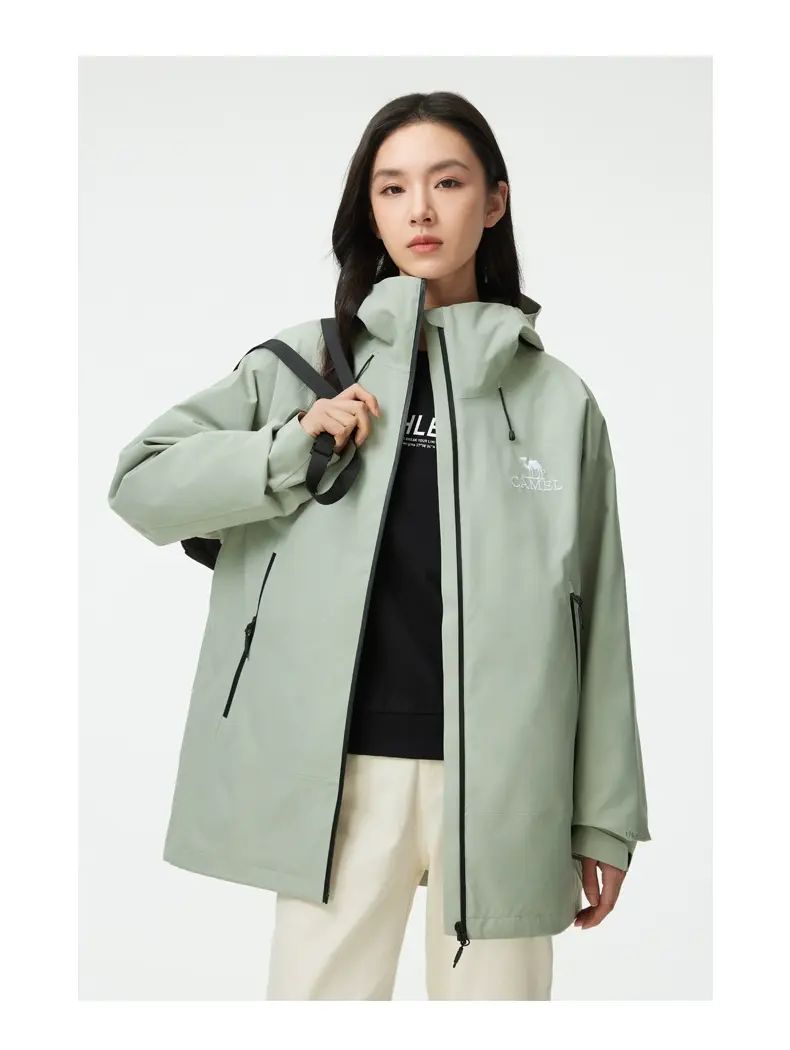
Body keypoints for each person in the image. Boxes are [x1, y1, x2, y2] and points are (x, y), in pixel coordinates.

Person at [107, 91, 651, 1001]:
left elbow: (599, 614)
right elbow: (142, 481)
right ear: (370, 209)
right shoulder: (304, 368)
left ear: (495, 200)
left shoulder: (559, 402)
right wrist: (288, 448)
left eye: (448, 182)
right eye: (393, 188)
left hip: (510, 784)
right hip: (341, 779)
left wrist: (603, 816)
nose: (421, 210)